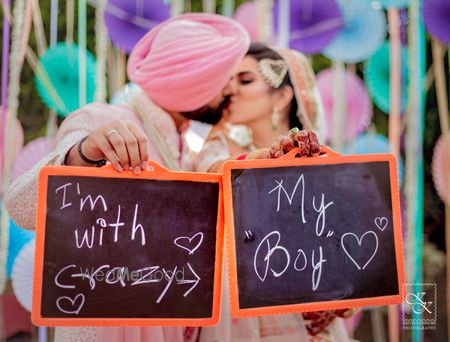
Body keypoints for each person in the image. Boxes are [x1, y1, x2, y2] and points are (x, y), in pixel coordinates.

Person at [5, 13, 250, 342]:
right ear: (196, 80)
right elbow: (20, 206)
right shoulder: (104, 120)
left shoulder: (188, 146)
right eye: (225, 80)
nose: (231, 91)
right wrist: (82, 153)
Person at [196, 43, 353, 341]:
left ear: (281, 96)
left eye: (245, 80)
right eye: (229, 82)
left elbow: (346, 252)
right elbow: (214, 175)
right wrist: (267, 159)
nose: (231, 90)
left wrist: (341, 298)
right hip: (248, 323)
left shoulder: (323, 164)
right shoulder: (220, 148)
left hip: (312, 326)